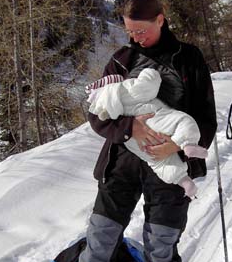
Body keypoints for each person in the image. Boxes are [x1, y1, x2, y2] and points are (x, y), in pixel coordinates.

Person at [63, 0, 217, 262]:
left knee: (161, 250)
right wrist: (129, 125)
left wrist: (176, 142)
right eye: (130, 31)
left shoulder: (189, 59)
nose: (135, 38)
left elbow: (206, 118)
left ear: (161, 20)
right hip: (121, 165)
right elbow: (97, 111)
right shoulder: (122, 59)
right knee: (98, 245)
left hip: (168, 166)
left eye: (141, 31)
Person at [87, 67, 208, 198]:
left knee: (159, 163)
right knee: (183, 121)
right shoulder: (125, 87)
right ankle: (188, 144)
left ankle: (184, 181)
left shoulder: (102, 108)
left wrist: (127, 128)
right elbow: (147, 88)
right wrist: (150, 73)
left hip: (135, 143)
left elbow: (99, 120)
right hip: (153, 119)